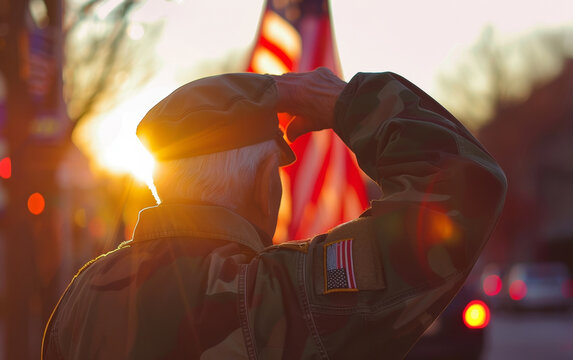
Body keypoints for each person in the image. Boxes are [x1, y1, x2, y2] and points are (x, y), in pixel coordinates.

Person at [42, 68, 507, 359]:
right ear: (266, 178)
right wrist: (349, 104)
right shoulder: (269, 294)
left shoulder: (81, 297)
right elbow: (464, 181)